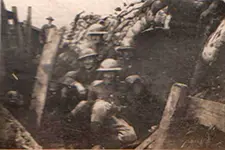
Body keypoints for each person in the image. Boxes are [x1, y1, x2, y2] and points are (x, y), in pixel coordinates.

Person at [69, 58, 137, 148]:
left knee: (131, 136)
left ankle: (103, 141)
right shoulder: (95, 85)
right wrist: (99, 104)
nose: (109, 76)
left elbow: (129, 106)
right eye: (106, 72)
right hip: (95, 118)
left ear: (116, 73)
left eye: (111, 72)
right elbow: (89, 102)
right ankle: (93, 138)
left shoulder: (122, 86)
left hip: (113, 117)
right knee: (99, 105)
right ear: (102, 73)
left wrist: (117, 108)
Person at [58, 47, 100, 114]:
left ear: (94, 59)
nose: (87, 62)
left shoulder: (99, 71)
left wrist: (88, 88)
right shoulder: (81, 71)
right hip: (82, 96)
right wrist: (77, 84)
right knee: (65, 89)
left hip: (95, 98)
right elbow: (66, 78)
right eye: (84, 60)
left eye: (90, 59)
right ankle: (63, 113)